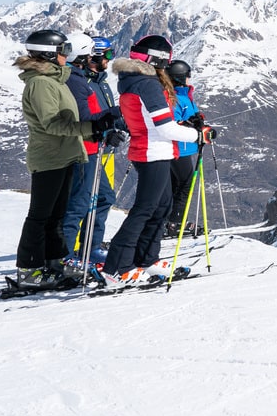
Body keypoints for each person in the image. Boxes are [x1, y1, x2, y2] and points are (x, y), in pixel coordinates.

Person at [103, 35, 216, 284]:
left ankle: (146, 259)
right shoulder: (148, 85)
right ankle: (117, 267)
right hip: (151, 152)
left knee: (161, 207)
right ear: (159, 60)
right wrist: (199, 135)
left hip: (157, 151)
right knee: (145, 209)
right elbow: (165, 127)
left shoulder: (136, 81)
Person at [12, 29, 117, 288]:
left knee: (56, 215)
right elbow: (53, 124)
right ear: (49, 54)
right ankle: (29, 269)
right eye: (63, 51)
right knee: (40, 216)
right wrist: (92, 128)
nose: (66, 56)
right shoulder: (40, 83)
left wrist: (98, 122)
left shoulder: (55, 80)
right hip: (49, 157)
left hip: (66, 154)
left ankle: (55, 261)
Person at [60, 33, 124, 268]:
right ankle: (66, 257)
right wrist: (110, 122)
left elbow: (100, 115)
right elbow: (85, 118)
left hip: (96, 147)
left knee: (104, 198)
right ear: (91, 57)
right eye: (106, 54)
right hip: (84, 149)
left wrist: (116, 125)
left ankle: (90, 248)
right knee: (79, 203)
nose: (110, 59)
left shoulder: (98, 82)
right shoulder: (80, 83)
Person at [164, 60, 203, 238]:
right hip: (179, 148)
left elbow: (190, 115)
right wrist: (190, 124)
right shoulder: (175, 98)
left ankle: (169, 220)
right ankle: (176, 223)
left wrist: (197, 120)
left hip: (184, 147)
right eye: (187, 75)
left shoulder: (184, 95)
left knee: (176, 185)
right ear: (180, 77)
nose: (189, 78)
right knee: (186, 184)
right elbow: (173, 122)